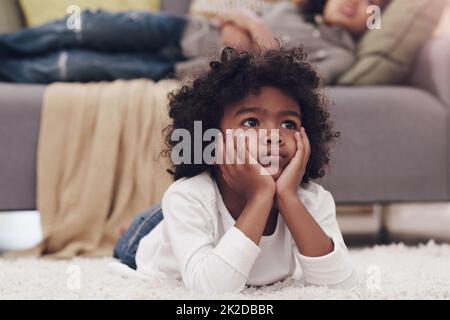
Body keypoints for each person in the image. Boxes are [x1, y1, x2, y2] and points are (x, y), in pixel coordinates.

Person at [113, 46, 358, 294]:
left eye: (288, 123)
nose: (274, 136)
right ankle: (137, 225)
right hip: (153, 237)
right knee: (140, 234)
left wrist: (288, 198)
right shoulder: (187, 197)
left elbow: (340, 286)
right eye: (251, 122)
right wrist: (261, 196)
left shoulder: (312, 200)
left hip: (202, 211)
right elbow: (211, 291)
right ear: (213, 137)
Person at [0, 0, 389, 84]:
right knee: (87, 24)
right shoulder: (295, 10)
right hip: (180, 31)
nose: (356, 2)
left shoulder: (341, 56)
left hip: (185, 70)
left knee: (76, 67)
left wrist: (253, 35)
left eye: (371, 2)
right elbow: (235, 14)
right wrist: (242, 23)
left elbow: (286, 77)